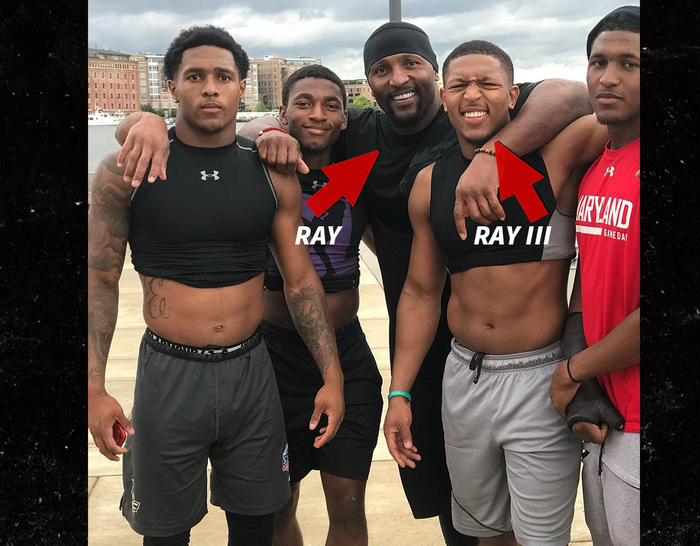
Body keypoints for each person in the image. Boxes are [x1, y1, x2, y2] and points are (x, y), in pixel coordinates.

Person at [115, 21, 593, 545]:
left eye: (412, 63)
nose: (399, 78)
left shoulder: (461, 129)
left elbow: (576, 95)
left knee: (391, 497)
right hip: (286, 351)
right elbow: (230, 130)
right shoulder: (294, 160)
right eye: (382, 69)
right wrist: (151, 122)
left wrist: (493, 156)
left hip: (418, 347)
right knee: (275, 506)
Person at [87, 26, 344, 546]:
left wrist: (332, 375)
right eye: (195, 76)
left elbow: (300, 282)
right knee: (164, 531)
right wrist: (93, 388)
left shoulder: (272, 172)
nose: (210, 88)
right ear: (171, 86)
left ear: (241, 88)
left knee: (256, 523)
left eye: (223, 77)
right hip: (169, 373)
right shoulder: (125, 171)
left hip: (251, 369)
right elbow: (99, 279)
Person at [383, 39, 609, 545]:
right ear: (443, 96)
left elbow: (590, 97)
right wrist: (399, 391)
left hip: (539, 375)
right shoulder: (429, 182)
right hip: (465, 375)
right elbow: (420, 292)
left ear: (513, 95)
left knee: (540, 538)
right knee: (486, 533)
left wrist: (495, 154)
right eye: (459, 85)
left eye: (487, 83)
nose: (472, 95)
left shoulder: (556, 154)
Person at [261, 64, 383, 546]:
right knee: (276, 507)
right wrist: (263, 133)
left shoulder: (361, 176)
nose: (318, 114)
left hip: (347, 353)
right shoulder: (257, 170)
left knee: (348, 506)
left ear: (344, 119)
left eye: (331, 105)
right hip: (273, 358)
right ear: (282, 112)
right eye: (304, 103)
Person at [549, 7, 641, 546]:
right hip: (605, 413)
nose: (608, 77)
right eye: (598, 62)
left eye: (630, 64)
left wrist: (571, 371)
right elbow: (589, 279)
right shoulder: (599, 166)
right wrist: (584, 385)